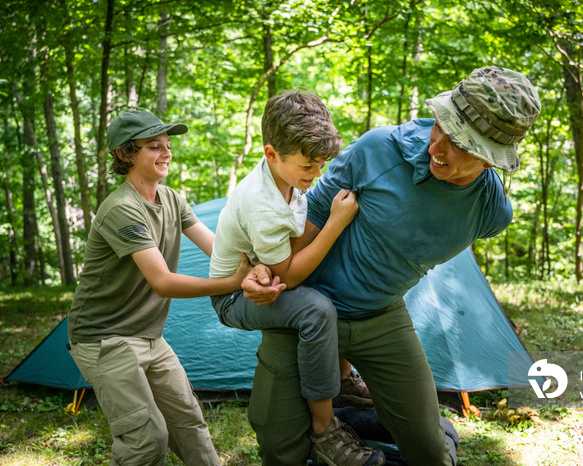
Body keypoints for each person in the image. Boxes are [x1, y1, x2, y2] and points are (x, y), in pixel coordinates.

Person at [242, 66, 542, 465]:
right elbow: (299, 234)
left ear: (491, 160)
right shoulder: (378, 149)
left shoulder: (491, 212)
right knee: (282, 452)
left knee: (432, 454)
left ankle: (367, 416)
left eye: (461, 145)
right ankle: (337, 408)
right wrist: (259, 269)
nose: (438, 147)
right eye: (441, 127)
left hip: (381, 320)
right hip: (306, 313)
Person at [67, 110, 264, 465]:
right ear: (125, 154)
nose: (166, 153)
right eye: (154, 147)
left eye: (168, 145)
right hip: (104, 338)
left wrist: (259, 263)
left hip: (149, 336)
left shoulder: (172, 199)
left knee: (189, 423)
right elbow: (162, 282)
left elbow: (220, 247)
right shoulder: (121, 209)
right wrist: (234, 282)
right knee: (145, 440)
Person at [209, 90, 385, 466]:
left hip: (264, 273)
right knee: (315, 310)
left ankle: (342, 380)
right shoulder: (262, 203)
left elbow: (294, 243)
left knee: (336, 278)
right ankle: (325, 430)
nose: (317, 173)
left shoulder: (288, 179)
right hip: (233, 296)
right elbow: (286, 274)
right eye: (309, 165)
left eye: (322, 163)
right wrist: (335, 224)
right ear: (272, 154)